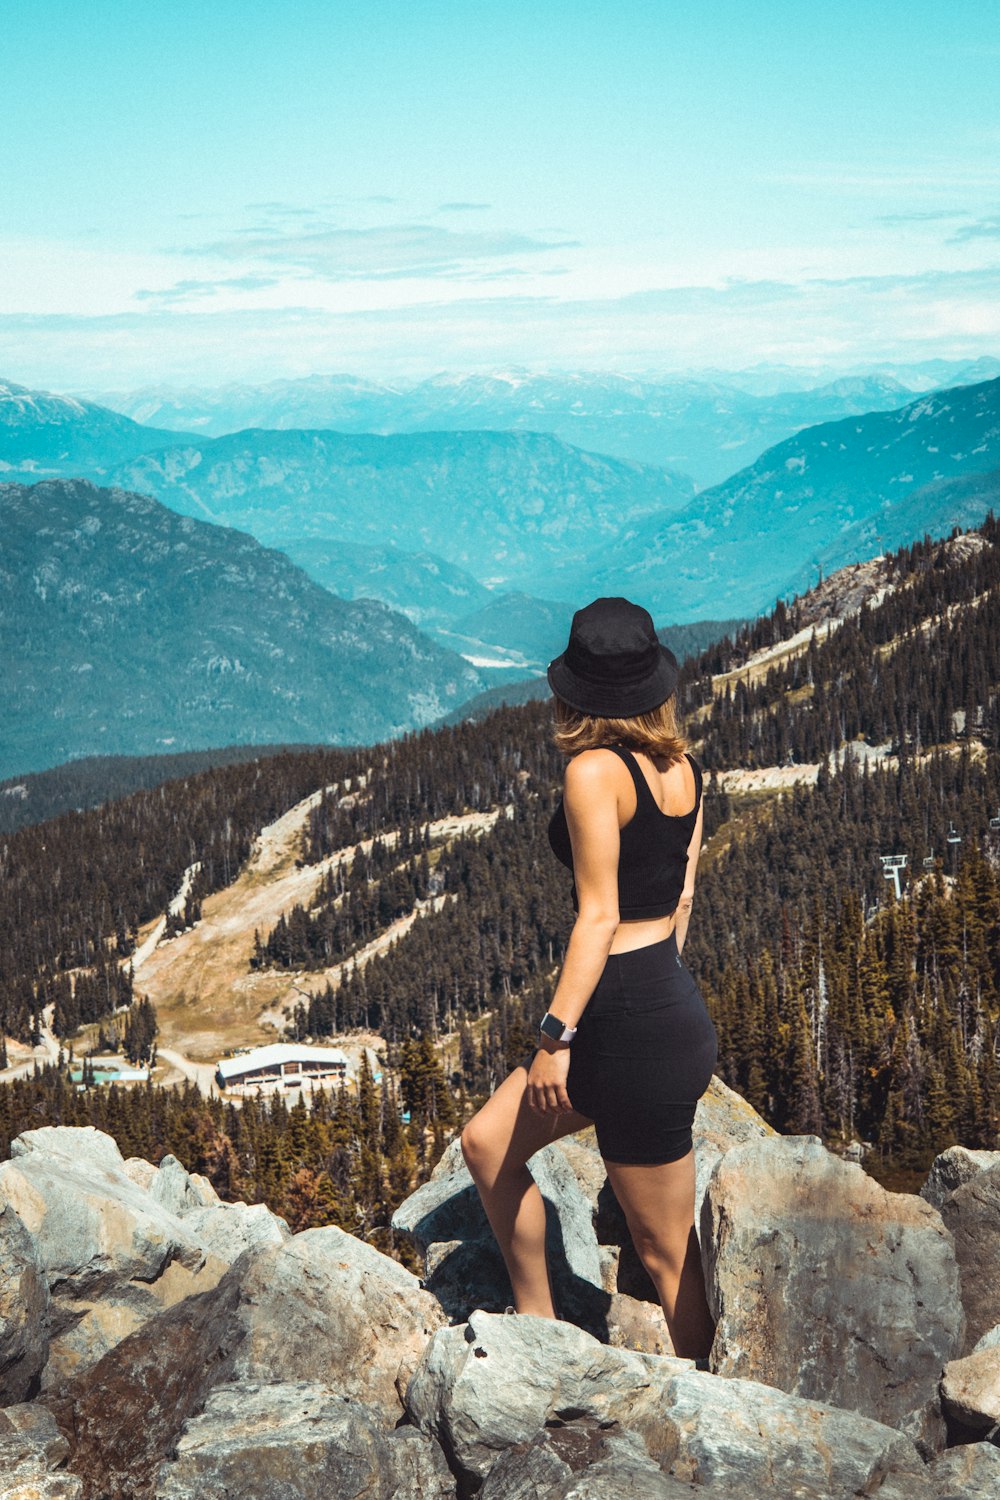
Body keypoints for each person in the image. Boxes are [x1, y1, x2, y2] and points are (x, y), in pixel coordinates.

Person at [460, 596, 719, 1360]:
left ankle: (716, 1408)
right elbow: (683, 896)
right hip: (651, 1000)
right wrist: (656, 993)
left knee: (665, 1251)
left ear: (576, 692)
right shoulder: (684, 768)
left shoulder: (591, 771)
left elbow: (598, 916)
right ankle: (542, 1341)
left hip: (624, 1019)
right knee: (486, 1145)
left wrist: (554, 1038)